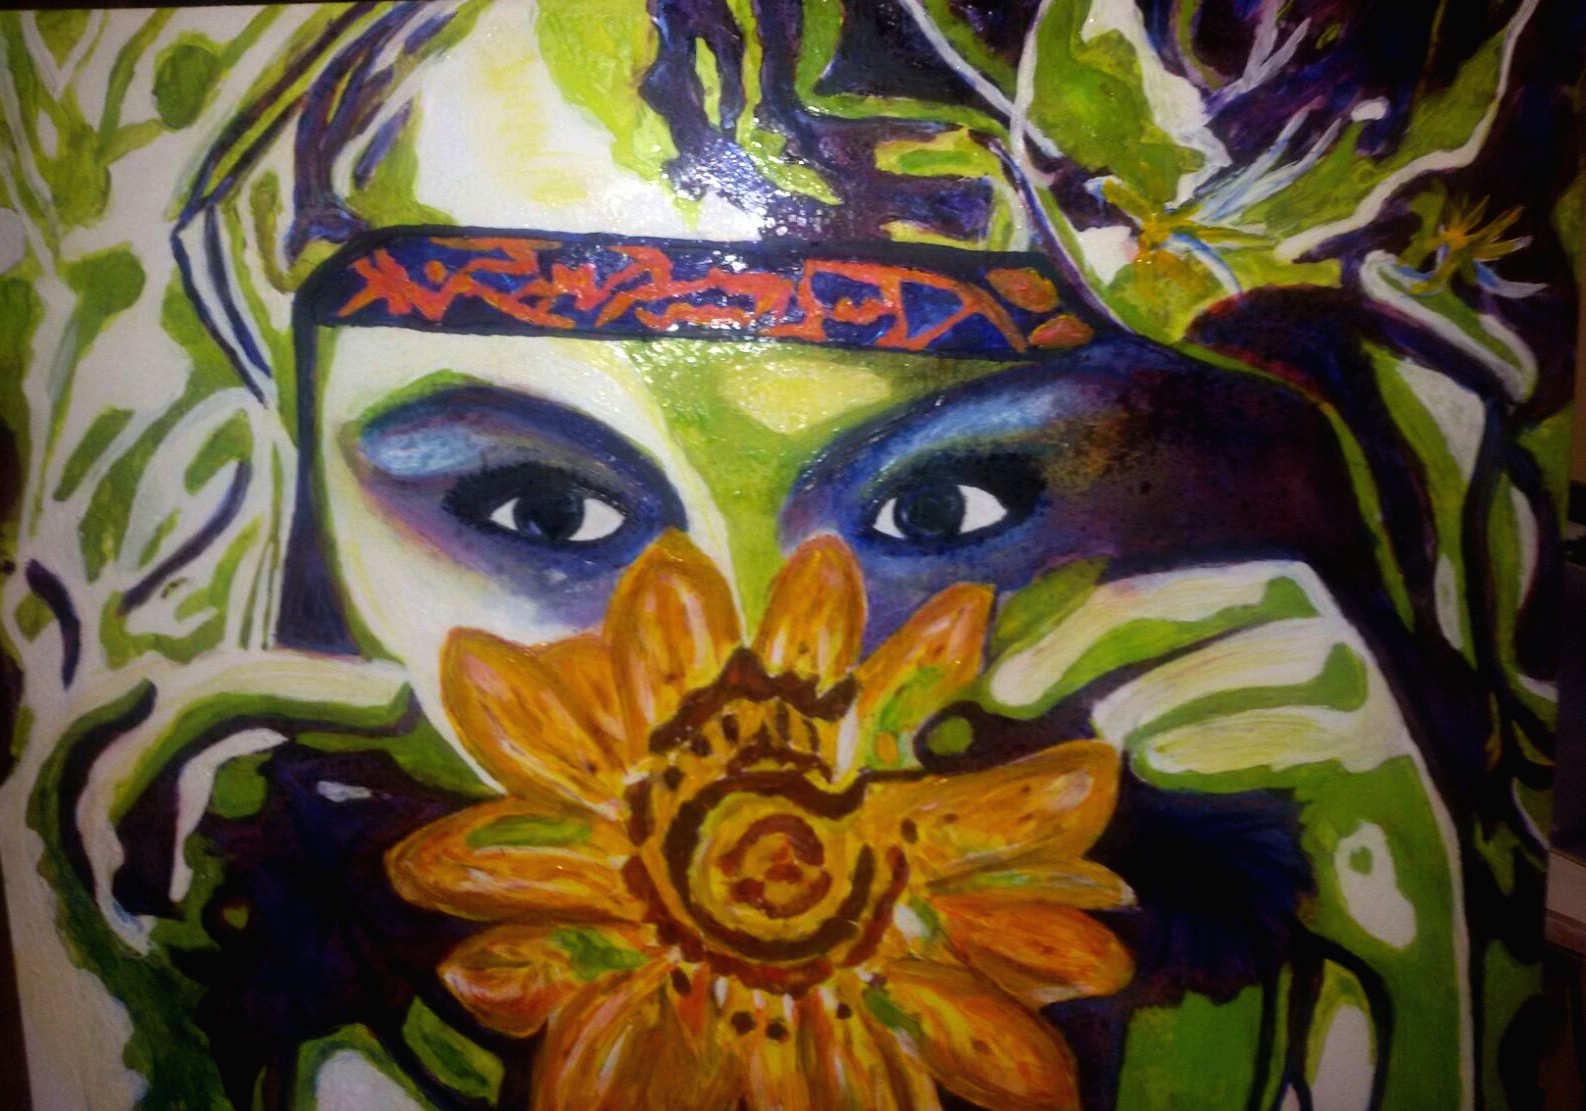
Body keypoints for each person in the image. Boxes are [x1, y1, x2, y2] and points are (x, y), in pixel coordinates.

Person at [13, 2, 1576, 1108]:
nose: (760, 660)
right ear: (291, 516)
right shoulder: (261, 967)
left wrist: (1409, 943)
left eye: (950, 513)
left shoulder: (1238, 971)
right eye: (542, 517)